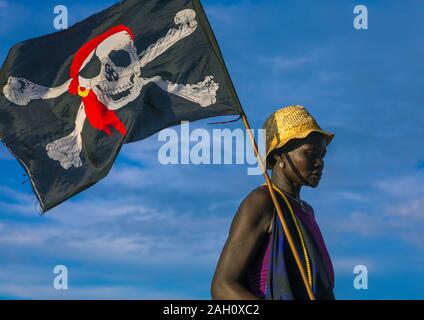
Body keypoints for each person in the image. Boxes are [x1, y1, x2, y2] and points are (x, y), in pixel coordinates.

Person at [211, 105, 335, 300]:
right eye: (311, 154)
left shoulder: (306, 211)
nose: (320, 163)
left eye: (322, 155)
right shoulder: (262, 201)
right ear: (280, 156)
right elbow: (223, 287)